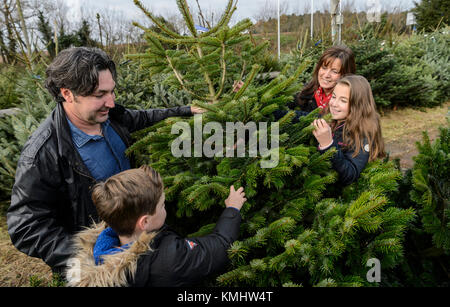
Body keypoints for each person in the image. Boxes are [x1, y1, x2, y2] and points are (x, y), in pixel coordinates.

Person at [7, 47, 204, 274]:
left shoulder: (113, 118)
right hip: (106, 264)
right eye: (99, 95)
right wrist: (89, 260)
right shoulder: (44, 152)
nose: (110, 102)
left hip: (142, 239)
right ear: (68, 93)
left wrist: (186, 110)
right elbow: (25, 226)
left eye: (112, 92)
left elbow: (145, 117)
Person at [66, 165, 246, 287]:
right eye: (162, 205)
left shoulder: (99, 250)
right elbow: (219, 248)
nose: (165, 208)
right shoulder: (169, 260)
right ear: (144, 222)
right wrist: (232, 209)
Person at [312, 74, 385, 185]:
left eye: (343, 101)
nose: (334, 104)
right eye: (334, 97)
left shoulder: (364, 134)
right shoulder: (332, 117)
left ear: (357, 106)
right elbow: (303, 117)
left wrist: (328, 145)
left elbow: (350, 174)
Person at [289, 45, 356, 113]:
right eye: (324, 68)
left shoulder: (350, 102)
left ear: (346, 74)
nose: (326, 75)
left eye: (334, 71)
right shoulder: (304, 92)